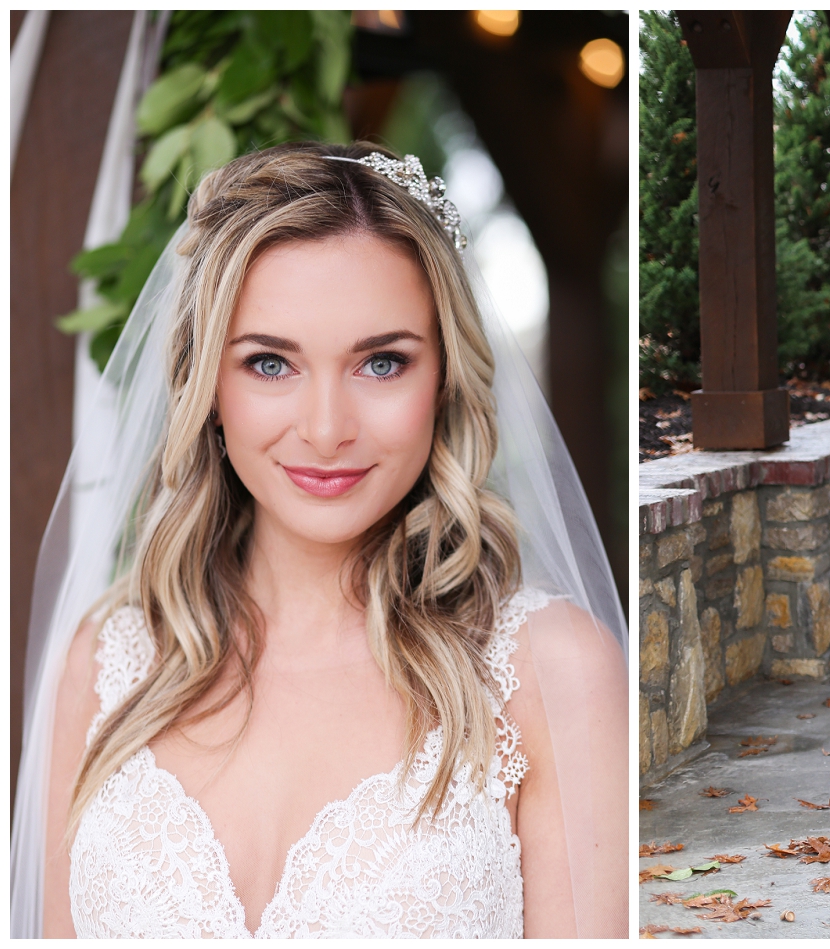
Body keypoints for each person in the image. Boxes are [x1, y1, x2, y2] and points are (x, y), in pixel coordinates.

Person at [12, 144, 628, 938]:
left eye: (381, 362)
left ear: (442, 378)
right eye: (271, 363)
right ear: (208, 387)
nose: (328, 429)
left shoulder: (550, 673)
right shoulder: (106, 667)